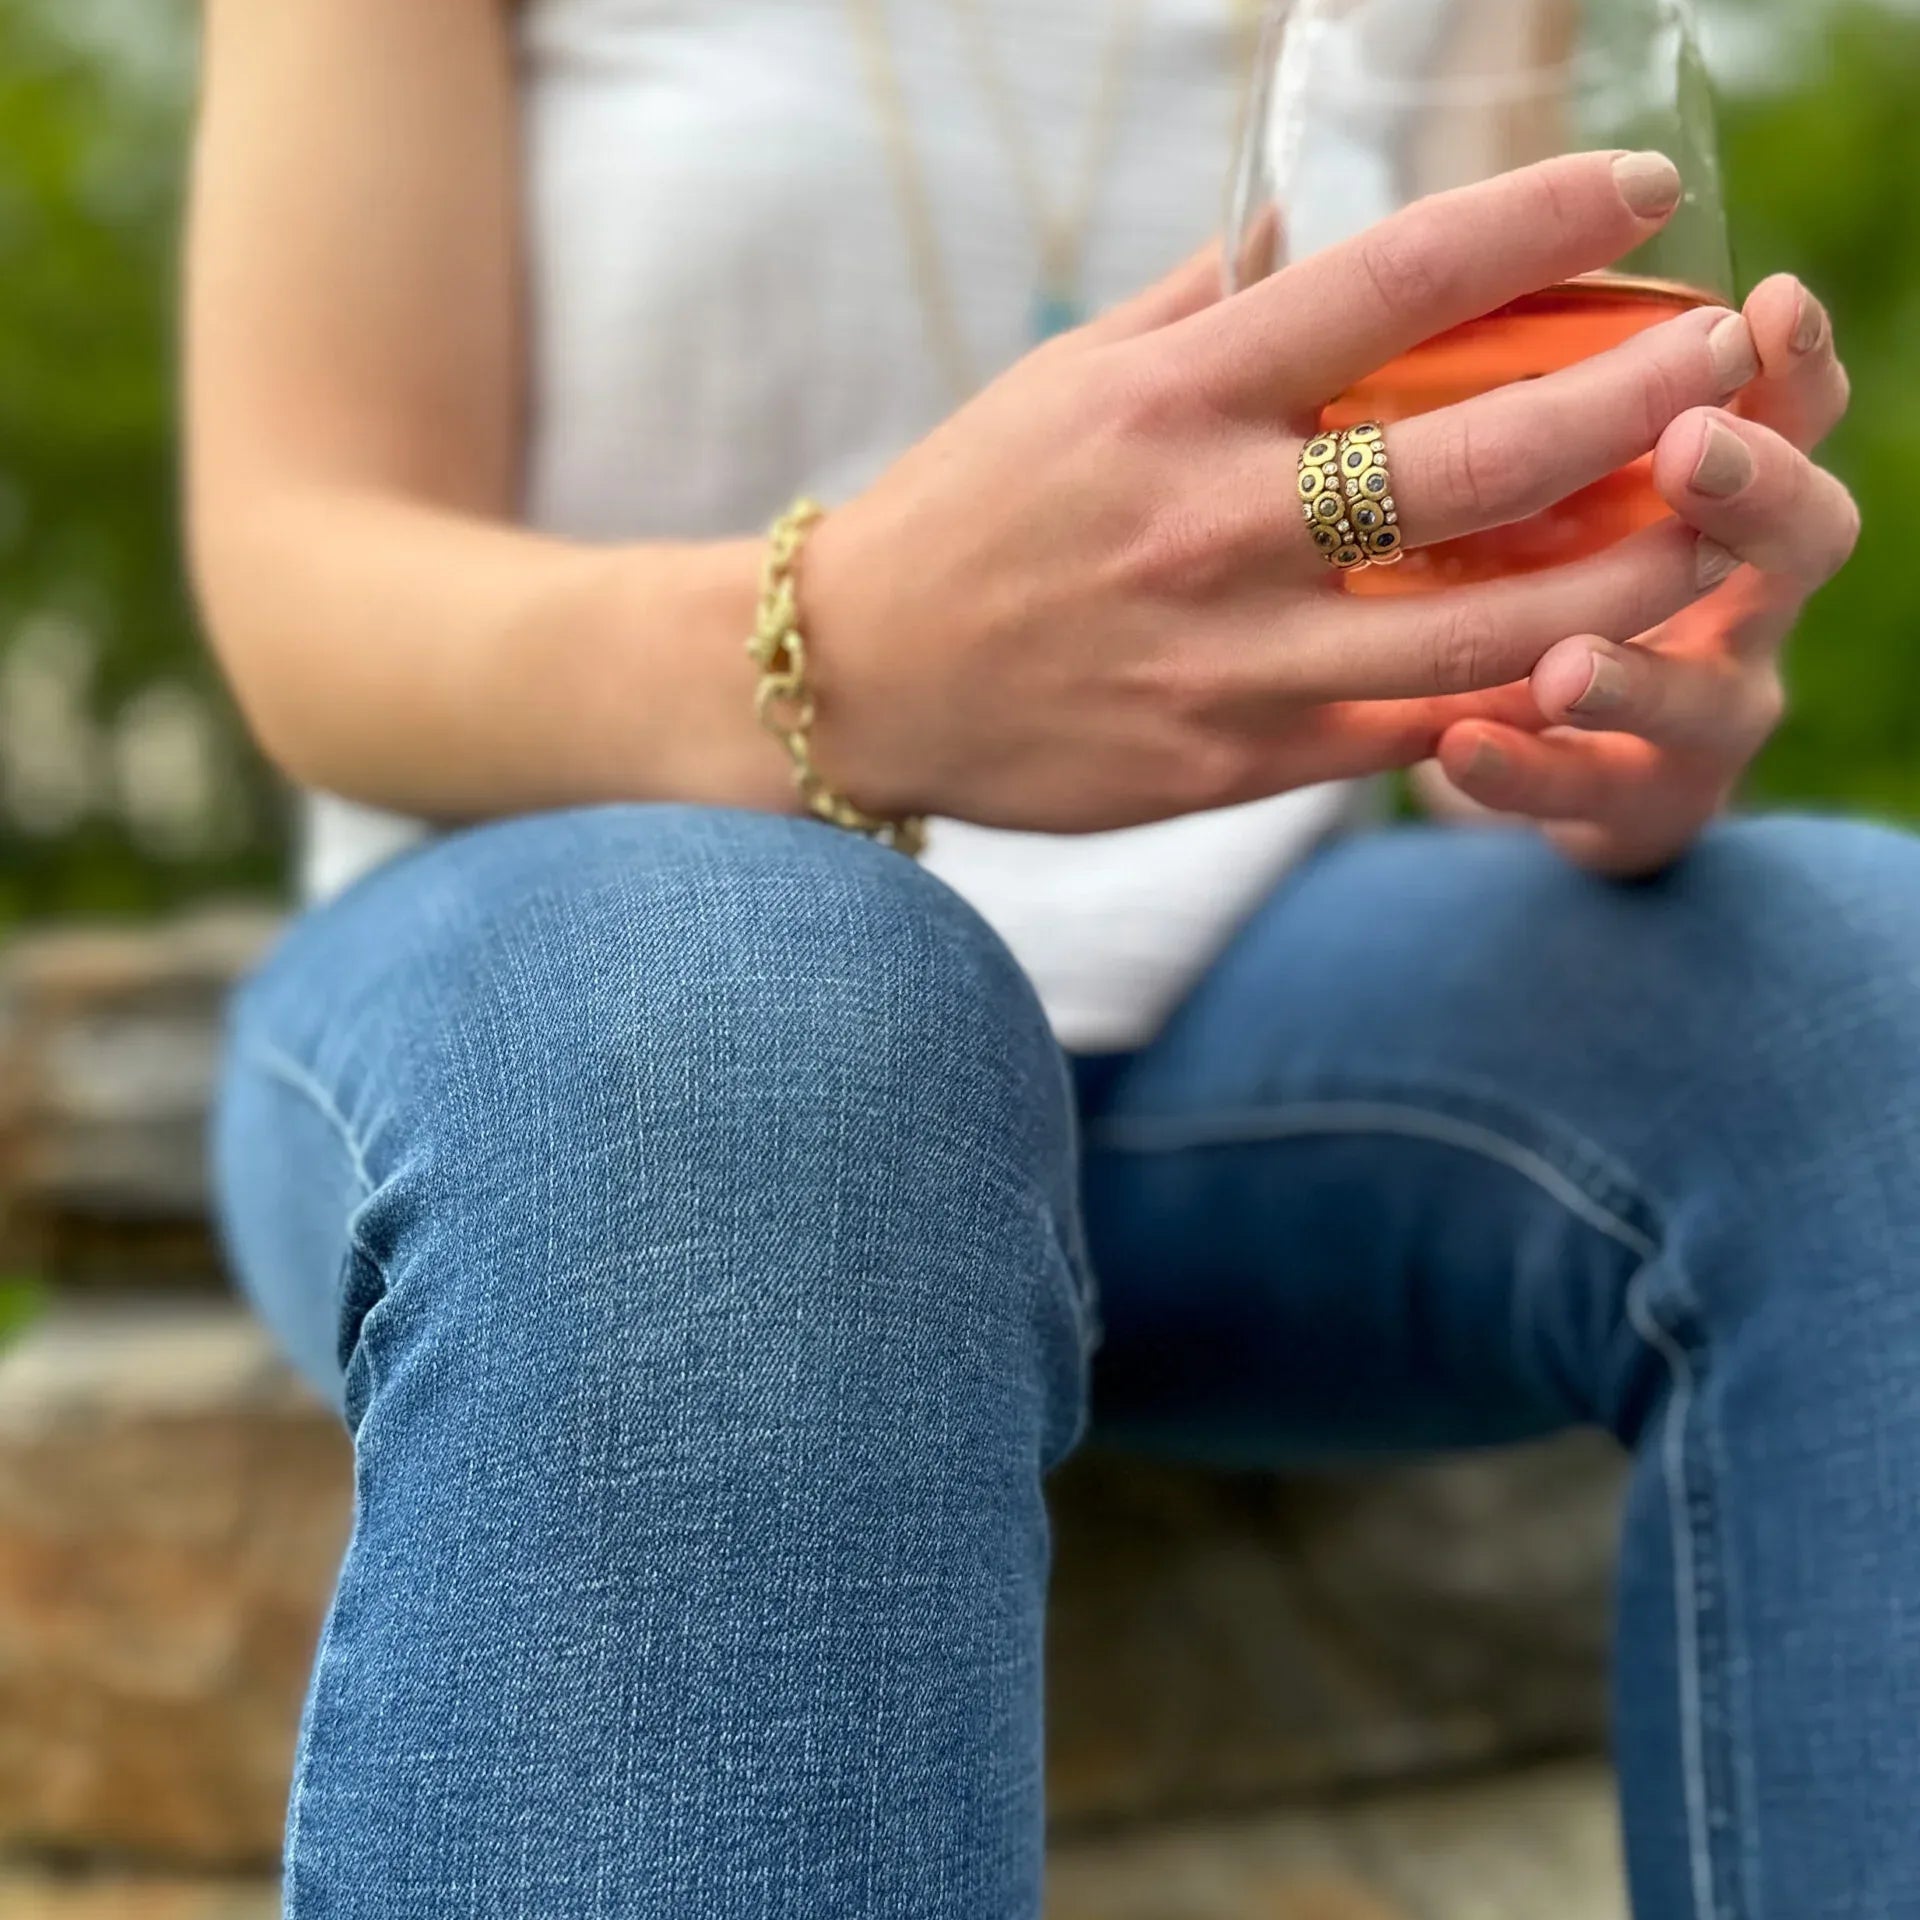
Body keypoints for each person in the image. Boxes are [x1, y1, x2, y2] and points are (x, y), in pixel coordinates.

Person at [188, 2, 1911, 1916]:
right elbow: (301, 571)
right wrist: (849, 641)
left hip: (1235, 990)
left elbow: (1480, 527)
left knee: (1865, 999)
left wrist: (1604, 675)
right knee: (764, 1029)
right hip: (566, 973)